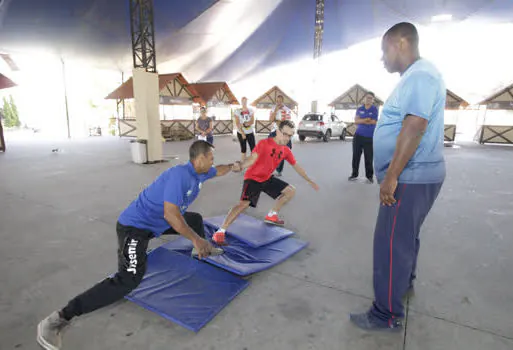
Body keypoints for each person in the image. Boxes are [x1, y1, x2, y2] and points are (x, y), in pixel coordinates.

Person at [37, 141, 241, 350]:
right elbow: (170, 215)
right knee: (127, 280)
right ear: (200, 159)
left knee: (195, 219)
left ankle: (200, 251)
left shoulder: (201, 172)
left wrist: (235, 166)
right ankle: (58, 319)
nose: (213, 163)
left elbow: (219, 171)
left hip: (156, 224)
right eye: (211, 158)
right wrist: (197, 239)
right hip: (135, 228)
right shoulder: (180, 176)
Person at [349, 22, 446, 331]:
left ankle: (385, 314)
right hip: (419, 175)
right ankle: (403, 283)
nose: (382, 58)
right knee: (405, 238)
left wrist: (391, 176)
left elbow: (415, 125)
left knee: (390, 243)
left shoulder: (419, 75)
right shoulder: (419, 76)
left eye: (384, 50)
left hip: (410, 176)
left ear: (399, 44)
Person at [211, 120, 319, 245]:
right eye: (285, 134)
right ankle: (220, 231)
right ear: (278, 132)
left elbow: (296, 166)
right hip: (253, 178)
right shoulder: (264, 144)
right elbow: (252, 159)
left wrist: (309, 180)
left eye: (290, 135)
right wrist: (240, 165)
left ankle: (272, 215)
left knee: (290, 191)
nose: (287, 138)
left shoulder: (285, 150)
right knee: (243, 204)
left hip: (267, 178)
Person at [348, 91, 378, 183]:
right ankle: (354, 174)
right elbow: (356, 121)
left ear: (373, 100)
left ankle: (369, 176)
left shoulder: (374, 109)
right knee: (356, 156)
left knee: (368, 157)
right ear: (364, 99)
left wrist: (361, 120)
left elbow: (374, 122)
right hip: (358, 136)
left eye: (370, 98)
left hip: (369, 137)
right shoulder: (359, 109)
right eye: (367, 97)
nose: (368, 99)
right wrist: (366, 120)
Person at [268, 95, 293, 176]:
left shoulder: (287, 110)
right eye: (277, 101)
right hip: (274, 131)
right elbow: (270, 120)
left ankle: (279, 170)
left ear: (282, 101)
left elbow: (287, 122)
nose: (278, 102)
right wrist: (275, 111)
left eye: (280, 101)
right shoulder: (273, 109)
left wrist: (278, 121)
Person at [234, 97, 256, 163]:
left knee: (253, 149)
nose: (244, 103)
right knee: (243, 149)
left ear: (247, 102)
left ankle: (253, 163)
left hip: (250, 132)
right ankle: (242, 163)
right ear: (241, 102)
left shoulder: (251, 110)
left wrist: (243, 124)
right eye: (243, 101)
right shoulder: (237, 111)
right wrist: (242, 133)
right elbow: (237, 123)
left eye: (245, 101)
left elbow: (252, 121)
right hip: (241, 133)